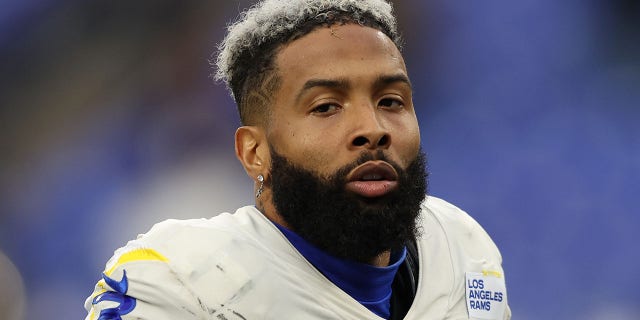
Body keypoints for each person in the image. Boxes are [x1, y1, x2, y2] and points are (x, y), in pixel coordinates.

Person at [85, 0, 511, 319]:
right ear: (255, 153)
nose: (373, 128)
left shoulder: (465, 252)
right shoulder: (181, 283)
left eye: (390, 100)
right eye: (326, 106)